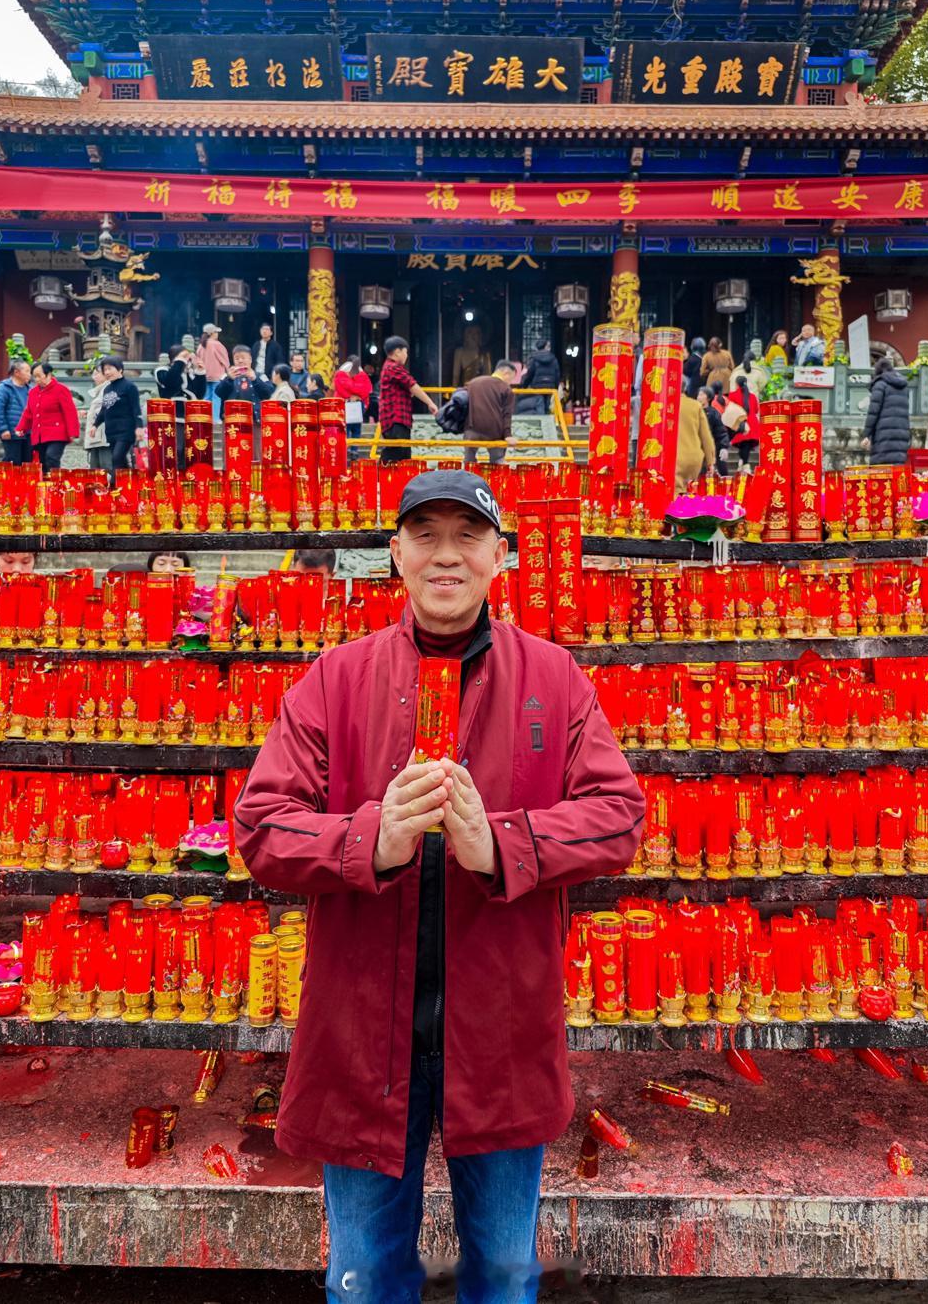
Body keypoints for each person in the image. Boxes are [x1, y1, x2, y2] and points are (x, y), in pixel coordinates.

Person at [235, 469, 643, 1303]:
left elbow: (619, 815)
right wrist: (369, 840)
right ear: (396, 555)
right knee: (363, 1279)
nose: (445, 555)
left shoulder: (555, 678)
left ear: (501, 555)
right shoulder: (334, 680)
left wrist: (500, 842)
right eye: (425, 534)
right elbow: (261, 825)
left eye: (467, 535)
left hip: (500, 1031)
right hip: (360, 1036)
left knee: (500, 1275)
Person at [377, 336, 440, 464]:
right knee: (396, 452)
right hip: (396, 419)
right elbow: (412, 385)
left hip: (397, 419)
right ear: (397, 352)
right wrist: (430, 403)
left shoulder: (389, 367)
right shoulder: (393, 367)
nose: (406, 356)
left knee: (403, 455)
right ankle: (376, 475)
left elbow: (406, 388)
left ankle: (395, 480)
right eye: (405, 352)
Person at [15, 361, 80, 475]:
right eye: (34, 376)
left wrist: (73, 432)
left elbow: (70, 412)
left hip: (57, 433)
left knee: (52, 458)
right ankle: (46, 487)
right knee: (42, 462)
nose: (36, 379)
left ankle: (56, 484)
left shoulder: (60, 389)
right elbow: (28, 412)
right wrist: (21, 428)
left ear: (49, 374)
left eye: (39, 376)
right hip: (40, 434)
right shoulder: (33, 392)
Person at [93, 356, 144, 474]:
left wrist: (139, 427)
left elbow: (136, 408)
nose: (107, 372)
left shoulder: (129, 387)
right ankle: (128, 483)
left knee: (116, 457)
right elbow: (104, 410)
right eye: (104, 370)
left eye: (110, 369)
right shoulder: (107, 389)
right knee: (119, 461)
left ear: (120, 369)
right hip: (111, 431)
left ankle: (115, 487)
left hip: (126, 430)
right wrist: (95, 425)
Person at [463, 359, 516, 466]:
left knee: (469, 460)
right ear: (506, 373)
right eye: (512, 378)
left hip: (471, 429)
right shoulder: (505, 388)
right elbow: (507, 414)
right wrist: (507, 435)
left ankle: (468, 478)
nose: (511, 382)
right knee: (497, 461)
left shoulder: (473, 383)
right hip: (494, 431)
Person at [861, 357, 911, 466]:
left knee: (881, 473)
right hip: (902, 436)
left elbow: (873, 412)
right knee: (897, 472)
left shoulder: (880, 385)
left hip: (883, 438)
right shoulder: (904, 387)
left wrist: (866, 434)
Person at [0, 358, 32, 465]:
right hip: (11, 432)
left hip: (28, 433)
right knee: (13, 462)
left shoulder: (30, 389)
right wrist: (3, 429)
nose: (30, 374)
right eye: (27, 371)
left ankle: (24, 482)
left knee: (27, 462)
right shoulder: (3, 388)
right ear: (17, 372)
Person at [215, 345, 273, 422]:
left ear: (250, 359)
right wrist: (229, 379)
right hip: (232, 420)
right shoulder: (227, 376)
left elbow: (268, 393)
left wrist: (255, 379)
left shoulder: (260, 375)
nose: (240, 361)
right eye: (237, 358)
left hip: (255, 420)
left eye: (243, 358)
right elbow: (219, 393)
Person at [676, 392, 716, 494]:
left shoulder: (664, 404)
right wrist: (710, 461)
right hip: (693, 458)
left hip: (673, 458)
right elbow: (706, 436)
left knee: (675, 494)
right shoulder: (695, 405)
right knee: (689, 491)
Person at [334, 355, 373, 441]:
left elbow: (341, 389)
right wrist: (357, 397)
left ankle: (347, 449)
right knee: (356, 429)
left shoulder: (341, 373)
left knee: (346, 428)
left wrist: (349, 396)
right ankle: (354, 450)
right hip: (357, 404)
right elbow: (366, 390)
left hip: (346, 403)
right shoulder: (361, 374)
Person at [195, 324, 230, 420]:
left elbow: (197, 360)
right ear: (212, 333)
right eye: (216, 332)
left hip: (205, 375)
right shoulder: (217, 344)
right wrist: (228, 370)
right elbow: (225, 359)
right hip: (217, 375)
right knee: (216, 397)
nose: (217, 334)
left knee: (206, 397)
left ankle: (206, 418)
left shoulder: (201, 346)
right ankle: (215, 419)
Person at [726, 374, 761, 471]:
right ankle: (743, 462)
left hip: (741, 423)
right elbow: (756, 410)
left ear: (736, 384)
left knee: (743, 444)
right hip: (753, 424)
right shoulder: (753, 396)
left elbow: (730, 411)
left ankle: (745, 465)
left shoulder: (732, 395)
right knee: (746, 445)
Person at [83, 365, 112, 473]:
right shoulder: (101, 390)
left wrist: (94, 414)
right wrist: (89, 413)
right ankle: (98, 489)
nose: (93, 377)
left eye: (96, 374)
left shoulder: (109, 388)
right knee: (96, 468)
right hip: (97, 436)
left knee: (106, 466)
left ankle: (111, 489)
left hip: (104, 436)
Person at [518, 340, 561, 413]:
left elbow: (529, 373)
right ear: (545, 347)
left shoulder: (533, 358)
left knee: (538, 404)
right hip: (550, 387)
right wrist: (555, 387)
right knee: (547, 404)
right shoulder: (553, 359)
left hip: (536, 386)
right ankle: (547, 419)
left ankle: (541, 419)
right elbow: (557, 374)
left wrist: (524, 385)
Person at [698, 385, 731, 471]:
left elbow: (721, 432)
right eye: (698, 395)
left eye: (702, 395)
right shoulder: (694, 412)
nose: (699, 397)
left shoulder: (714, 413)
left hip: (710, 448)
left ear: (708, 398)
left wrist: (724, 447)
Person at [451, 323, 491, 387]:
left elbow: (488, 376)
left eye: (476, 333)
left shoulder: (484, 353)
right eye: (470, 332)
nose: (473, 336)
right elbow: (455, 376)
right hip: (465, 389)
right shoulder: (459, 352)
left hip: (480, 389)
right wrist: (454, 391)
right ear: (465, 335)